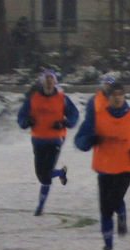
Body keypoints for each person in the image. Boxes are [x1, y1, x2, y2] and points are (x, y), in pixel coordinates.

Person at [74, 82, 130, 250]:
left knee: (114, 199)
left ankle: (120, 213)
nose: (117, 97)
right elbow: (80, 139)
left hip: (127, 167)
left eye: (121, 94)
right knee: (105, 208)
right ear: (108, 97)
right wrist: (90, 140)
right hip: (104, 167)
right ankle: (107, 245)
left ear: (125, 97)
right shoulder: (98, 117)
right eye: (114, 94)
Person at [17, 69, 79, 216]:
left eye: (52, 79)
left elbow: (74, 115)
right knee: (40, 174)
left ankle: (40, 207)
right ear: (42, 82)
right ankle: (61, 172)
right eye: (47, 79)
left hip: (55, 140)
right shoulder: (33, 99)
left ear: (55, 82)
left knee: (45, 175)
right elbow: (21, 116)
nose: (49, 82)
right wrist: (26, 121)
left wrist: (65, 123)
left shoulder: (62, 98)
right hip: (38, 140)